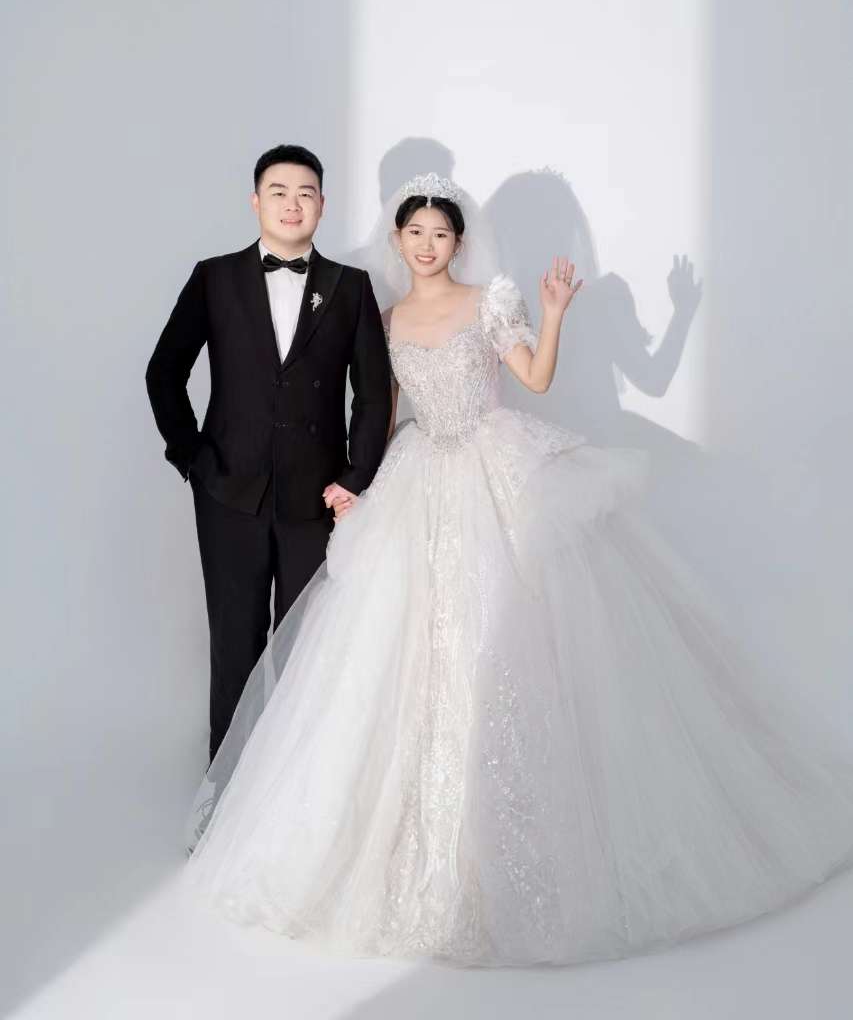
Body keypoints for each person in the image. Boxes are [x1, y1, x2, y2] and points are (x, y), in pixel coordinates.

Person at [183, 172, 853, 967]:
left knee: (514, 626)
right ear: (396, 240)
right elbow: (380, 416)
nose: (426, 245)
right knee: (398, 645)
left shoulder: (488, 301)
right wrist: (360, 487)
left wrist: (557, 313)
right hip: (417, 476)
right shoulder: (386, 319)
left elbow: (533, 379)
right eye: (414, 233)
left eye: (439, 233)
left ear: (457, 241)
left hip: (491, 467)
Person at [145, 145, 391, 764]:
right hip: (229, 492)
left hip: (319, 498)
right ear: (255, 201)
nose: (292, 204)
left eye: (305, 193)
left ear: (322, 205)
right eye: (278, 192)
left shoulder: (351, 287)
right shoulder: (214, 277)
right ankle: (225, 787)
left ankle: (297, 786)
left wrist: (355, 477)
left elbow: (373, 392)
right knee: (235, 643)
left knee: (310, 647)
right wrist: (194, 460)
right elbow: (164, 372)